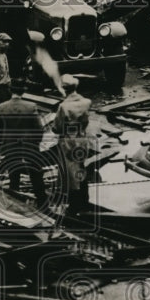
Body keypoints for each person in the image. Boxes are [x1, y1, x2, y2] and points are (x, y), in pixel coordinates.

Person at [0, 80, 47, 204]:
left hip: (10, 145)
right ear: (23, 91)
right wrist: (36, 142)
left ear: (10, 90)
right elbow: (39, 128)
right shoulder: (31, 106)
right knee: (36, 172)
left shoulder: (2, 107)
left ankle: (14, 199)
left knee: (13, 173)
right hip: (29, 145)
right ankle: (42, 199)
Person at [52, 74, 92, 213]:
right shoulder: (87, 102)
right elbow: (86, 122)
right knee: (81, 167)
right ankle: (84, 199)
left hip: (68, 141)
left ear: (64, 89)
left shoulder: (63, 106)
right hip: (81, 139)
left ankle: (74, 205)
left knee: (69, 171)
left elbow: (56, 127)